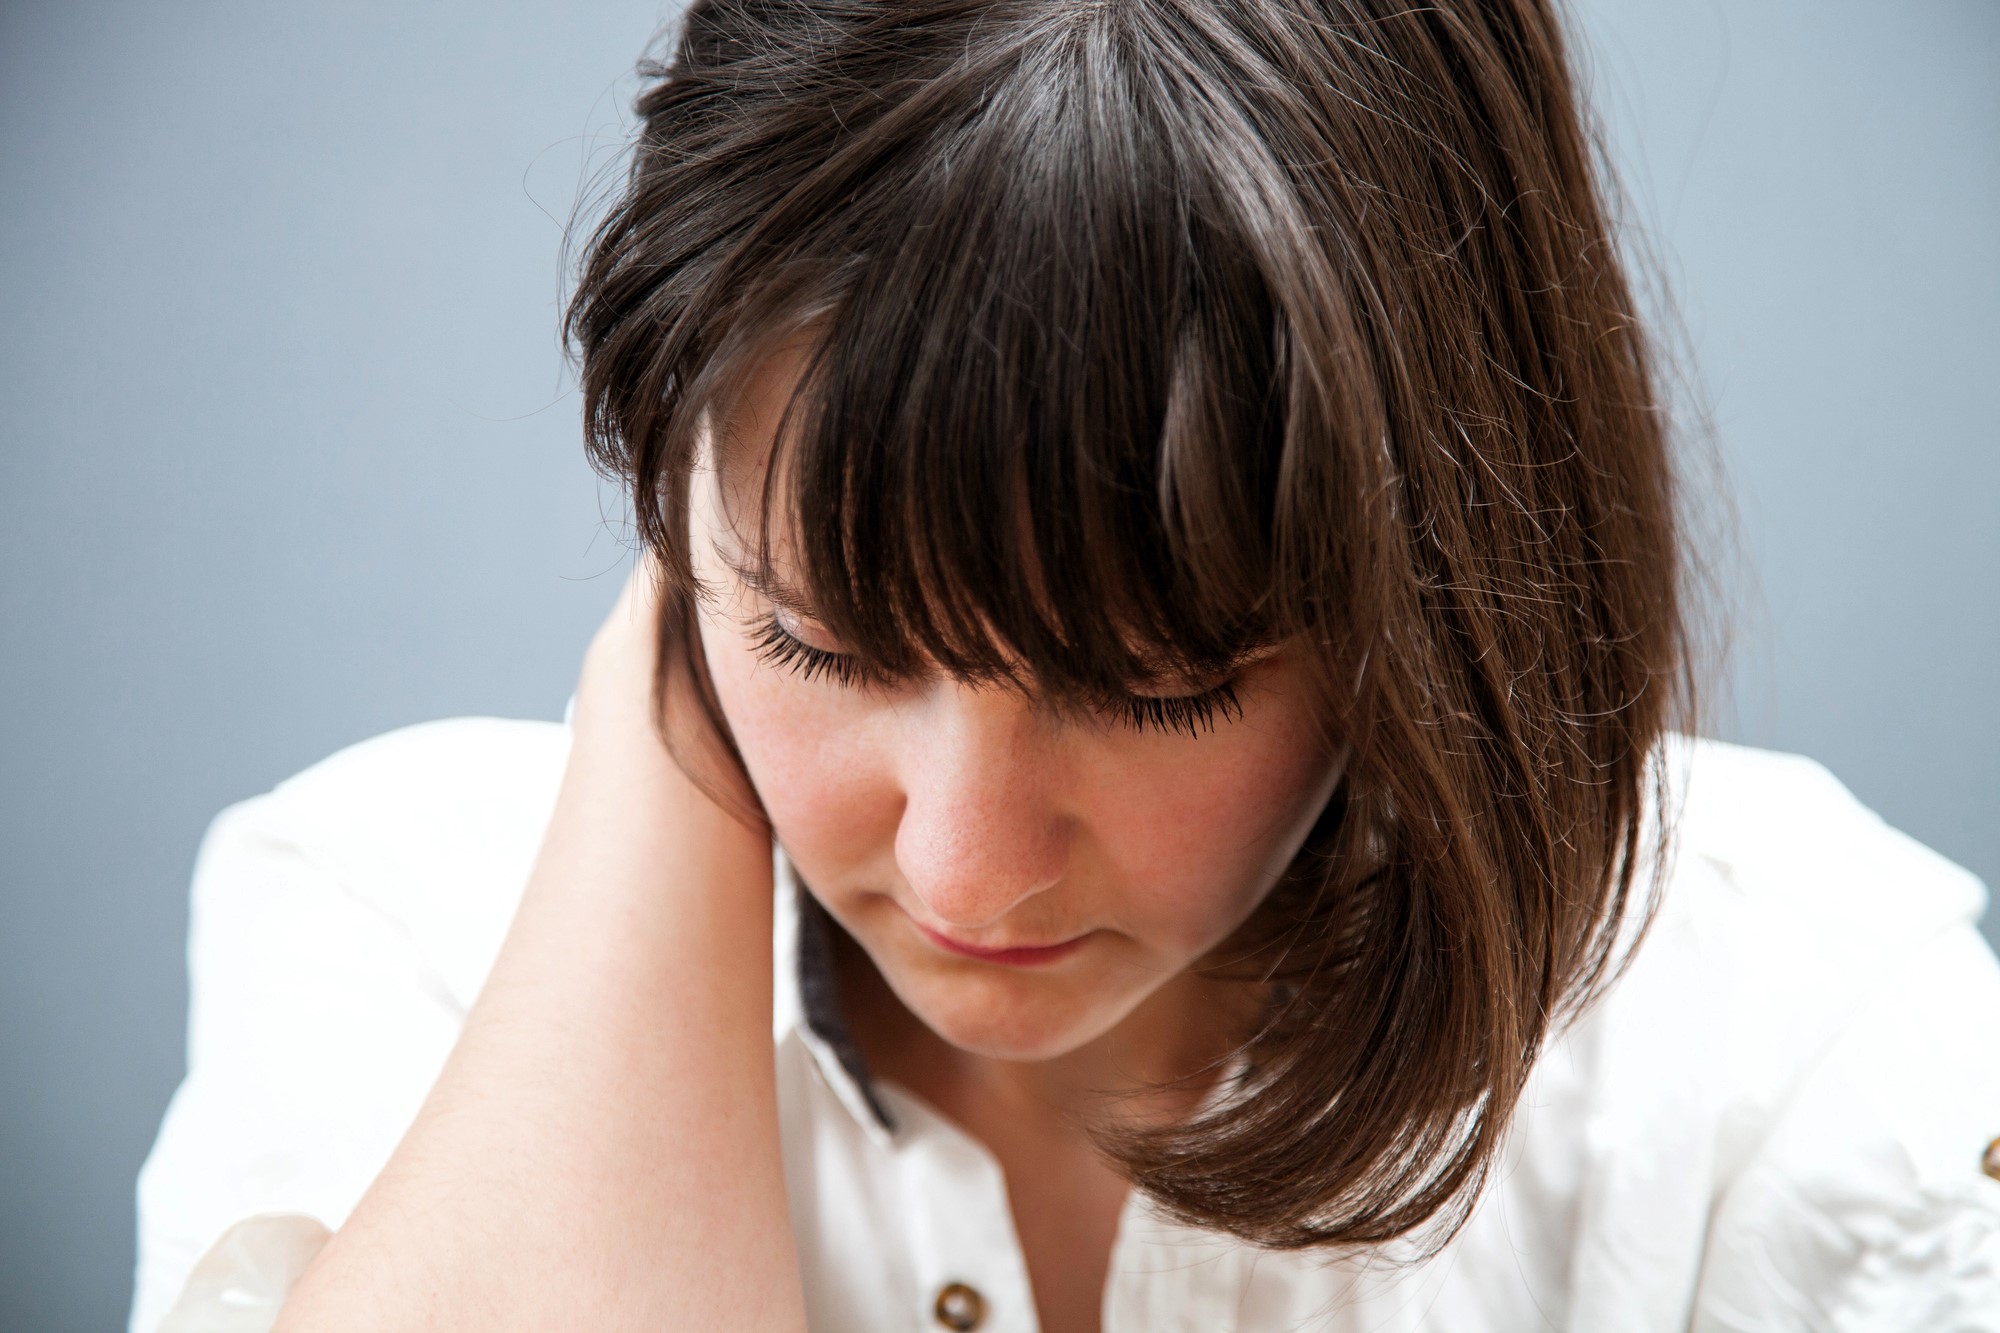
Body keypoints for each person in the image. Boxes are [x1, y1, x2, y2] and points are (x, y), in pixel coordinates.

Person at [132, 1, 2000, 1329]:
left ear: (1430, 576)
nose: (959, 869)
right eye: (820, 637)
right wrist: (678, 690)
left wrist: (781, 609)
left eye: (1156, 685)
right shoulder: (388, 930)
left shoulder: (1791, 1030)